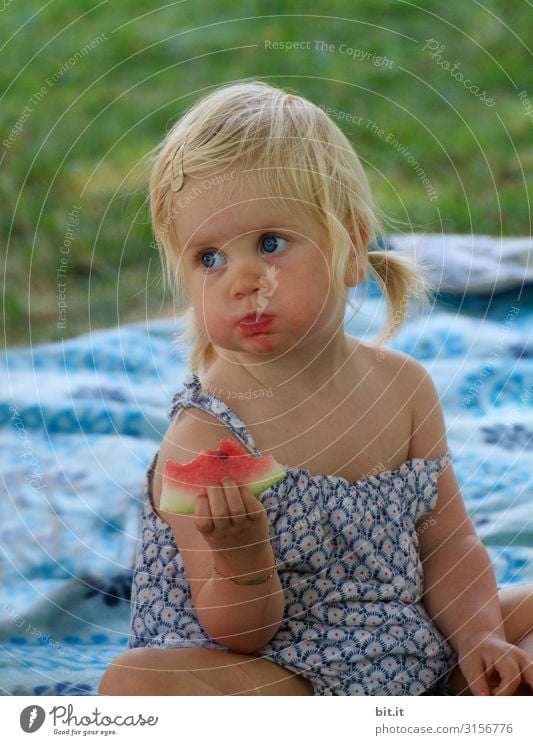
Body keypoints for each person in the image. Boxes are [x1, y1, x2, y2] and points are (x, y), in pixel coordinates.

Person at [99, 80, 533, 696]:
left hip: (410, 642)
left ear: (351, 248)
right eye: (209, 259)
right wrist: (244, 559)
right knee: (135, 684)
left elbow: (449, 542)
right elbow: (235, 634)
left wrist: (479, 639)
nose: (243, 279)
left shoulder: (406, 389)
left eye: (271, 244)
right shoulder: (203, 435)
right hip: (286, 678)